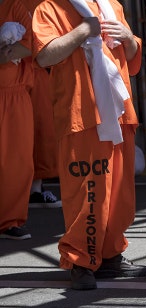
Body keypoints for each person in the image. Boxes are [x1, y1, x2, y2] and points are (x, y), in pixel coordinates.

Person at [32, 0, 146, 290]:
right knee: (85, 192)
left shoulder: (113, 5)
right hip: (80, 113)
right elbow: (45, 56)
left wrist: (126, 36)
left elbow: (133, 58)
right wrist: (83, 30)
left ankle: (110, 255)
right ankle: (80, 260)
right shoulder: (49, 7)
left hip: (118, 110)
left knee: (120, 193)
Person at [0, 0, 34, 240]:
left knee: (17, 160)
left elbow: (31, 45)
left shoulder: (15, 6)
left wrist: (6, 54)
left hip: (14, 93)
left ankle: (9, 220)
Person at [24, 0, 61, 209]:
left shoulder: (44, 4)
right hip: (16, 74)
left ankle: (35, 189)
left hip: (35, 72)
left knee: (41, 131)